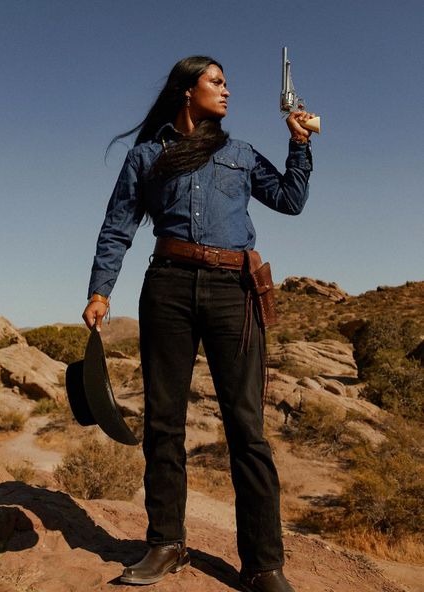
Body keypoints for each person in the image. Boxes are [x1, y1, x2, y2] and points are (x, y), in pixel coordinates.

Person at [82, 56, 314, 592]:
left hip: (234, 290)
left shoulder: (238, 153)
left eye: (227, 83)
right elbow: (117, 226)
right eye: (216, 82)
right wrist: (100, 290)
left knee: (246, 428)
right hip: (166, 287)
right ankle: (166, 542)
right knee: (164, 422)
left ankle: (264, 564)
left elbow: (290, 199)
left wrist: (300, 145)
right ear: (187, 91)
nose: (228, 91)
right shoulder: (147, 155)